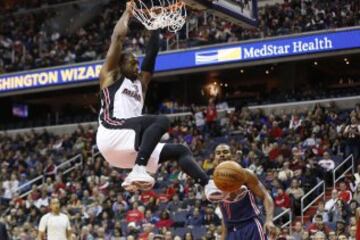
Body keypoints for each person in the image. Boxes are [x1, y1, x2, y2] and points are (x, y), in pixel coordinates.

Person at [95, 2, 219, 200]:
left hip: (128, 145)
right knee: (160, 121)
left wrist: (155, 25)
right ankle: (138, 169)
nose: (137, 66)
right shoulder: (110, 76)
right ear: (120, 64)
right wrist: (128, 13)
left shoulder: (140, 84)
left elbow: (151, 55)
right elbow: (117, 38)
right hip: (111, 133)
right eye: (132, 62)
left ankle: (208, 185)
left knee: (180, 150)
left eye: (137, 63)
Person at [210, 144, 276, 240]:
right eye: (218, 153)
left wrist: (269, 220)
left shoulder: (245, 174)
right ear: (215, 158)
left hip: (250, 226)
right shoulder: (215, 182)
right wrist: (223, 237)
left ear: (232, 155)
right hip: (232, 232)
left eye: (225, 152)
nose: (221, 155)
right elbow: (225, 214)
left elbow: (265, 196)